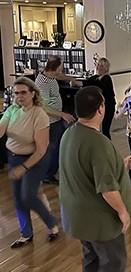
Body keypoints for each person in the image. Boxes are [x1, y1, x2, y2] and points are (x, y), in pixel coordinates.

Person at [59, 86, 131, 272]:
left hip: (78, 217)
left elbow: (86, 169)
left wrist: (119, 165)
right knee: (113, 262)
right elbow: (106, 188)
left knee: (91, 259)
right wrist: (122, 212)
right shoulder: (97, 143)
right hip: (99, 220)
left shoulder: (70, 133)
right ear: (101, 109)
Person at [0, 77, 59, 248]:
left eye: (23, 92)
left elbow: (41, 149)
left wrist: (23, 167)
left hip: (35, 158)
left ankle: (51, 223)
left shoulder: (39, 114)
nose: (19, 96)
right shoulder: (12, 110)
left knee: (28, 195)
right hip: (14, 157)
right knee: (18, 199)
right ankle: (26, 234)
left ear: (33, 93)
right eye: (16, 93)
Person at [35, 56, 76, 185]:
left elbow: (59, 76)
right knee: (52, 148)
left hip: (56, 119)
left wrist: (71, 79)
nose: (62, 69)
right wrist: (63, 114)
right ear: (56, 68)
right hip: (49, 121)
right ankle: (47, 174)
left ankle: (51, 171)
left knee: (58, 145)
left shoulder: (51, 76)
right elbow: (43, 106)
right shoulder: (42, 83)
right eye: (61, 66)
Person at [85, 57, 116, 139]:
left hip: (108, 107)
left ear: (106, 68)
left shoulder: (106, 78)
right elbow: (87, 83)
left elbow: (98, 85)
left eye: (102, 66)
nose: (99, 67)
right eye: (98, 65)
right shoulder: (95, 77)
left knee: (105, 130)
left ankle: (107, 146)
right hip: (100, 107)